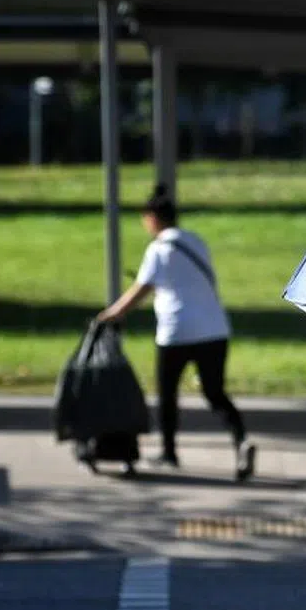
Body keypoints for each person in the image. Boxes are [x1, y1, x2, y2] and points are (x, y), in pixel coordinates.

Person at [97, 184, 255, 481]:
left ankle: (169, 452)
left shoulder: (157, 249)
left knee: (168, 393)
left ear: (154, 218)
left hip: (177, 332)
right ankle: (241, 439)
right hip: (214, 329)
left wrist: (110, 315)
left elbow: (139, 291)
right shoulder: (196, 241)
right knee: (215, 392)